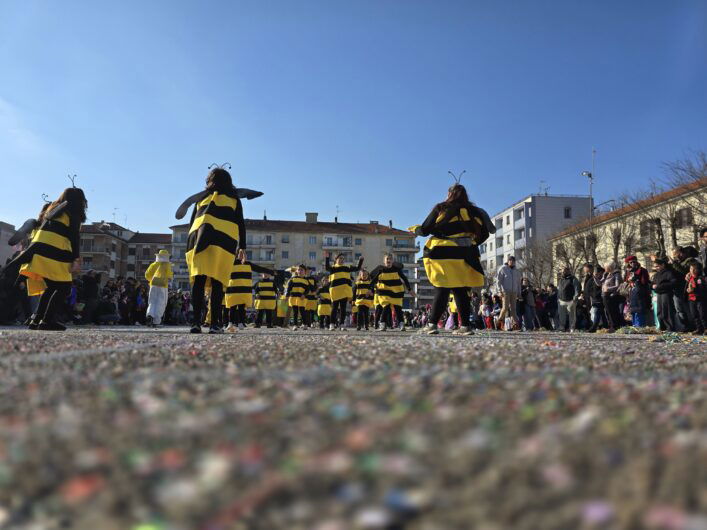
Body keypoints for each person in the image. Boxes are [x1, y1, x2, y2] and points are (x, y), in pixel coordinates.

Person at [414, 183, 494, 336]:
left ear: (449, 194)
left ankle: (432, 325)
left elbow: (425, 229)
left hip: (441, 253)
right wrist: (470, 242)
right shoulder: (474, 211)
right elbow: (485, 233)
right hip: (464, 254)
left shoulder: (441, 208)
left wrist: (416, 229)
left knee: (442, 288)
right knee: (461, 289)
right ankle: (465, 326)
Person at [177, 166, 249, 334]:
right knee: (218, 282)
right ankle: (215, 324)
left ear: (209, 181)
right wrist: (242, 246)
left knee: (199, 281)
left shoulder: (201, 198)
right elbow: (240, 223)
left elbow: (191, 223)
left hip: (198, 239)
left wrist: (190, 245)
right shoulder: (233, 199)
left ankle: (195, 322)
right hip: (223, 241)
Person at [9, 187, 87, 330]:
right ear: (80, 200)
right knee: (64, 287)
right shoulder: (72, 212)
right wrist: (76, 258)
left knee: (51, 288)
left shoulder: (53, 211)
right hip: (56, 253)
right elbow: (74, 237)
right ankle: (47, 320)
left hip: (40, 252)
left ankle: (37, 320)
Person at [224, 249, 275, 332]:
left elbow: (259, 268)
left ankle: (241, 323)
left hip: (244, 290)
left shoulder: (248, 264)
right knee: (232, 307)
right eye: (240, 254)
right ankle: (230, 323)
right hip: (233, 289)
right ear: (236, 255)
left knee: (241, 308)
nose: (242, 255)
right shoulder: (231, 263)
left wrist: (272, 272)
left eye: (243, 253)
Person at [370, 254, 413, 331]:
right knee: (386, 307)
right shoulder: (380, 269)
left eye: (390, 259)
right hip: (384, 292)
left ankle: (401, 324)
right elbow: (373, 280)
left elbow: (404, 278)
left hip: (396, 291)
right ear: (384, 261)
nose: (388, 260)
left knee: (398, 309)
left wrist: (409, 289)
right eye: (387, 259)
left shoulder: (396, 269)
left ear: (393, 261)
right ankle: (382, 324)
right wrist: (370, 290)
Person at [325, 251, 364, 330]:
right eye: (340, 258)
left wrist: (360, 261)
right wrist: (327, 258)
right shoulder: (333, 268)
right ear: (336, 259)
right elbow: (327, 268)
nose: (342, 260)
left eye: (343, 258)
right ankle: (332, 324)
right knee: (334, 308)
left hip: (344, 290)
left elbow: (357, 268)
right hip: (335, 290)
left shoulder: (347, 268)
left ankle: (342, 324)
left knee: (343, 308)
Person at [144, 250, 173, 327]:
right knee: (161, 302)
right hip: (163, 286)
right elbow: (169, 277)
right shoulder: (167, 265)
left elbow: (147, 275)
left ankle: (150, 315)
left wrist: (153, 280)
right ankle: (156, 321)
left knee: (152, 301)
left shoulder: (153, 264)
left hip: (153, 285)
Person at [496, 257, 521, 331]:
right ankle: (499, 320)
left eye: (513, 261)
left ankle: (516, 325)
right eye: (510, 261)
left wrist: (519, 293)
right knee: (505, 307)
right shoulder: (503, 269)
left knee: (513, 309)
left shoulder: (516, 271)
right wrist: (499, 291)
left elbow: (518, 283)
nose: (512, 262)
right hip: (505, 291)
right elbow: (498, 281)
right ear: (508, 261)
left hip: (514, 292)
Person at [652, 258, 678, 331]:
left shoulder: (668, 273)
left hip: (666, 293)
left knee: (667, 310)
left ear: (663, 265)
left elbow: (673, 282)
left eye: (657, 266)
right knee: (660, 311)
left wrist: (660, 286)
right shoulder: (656, 274)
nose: (656, 268)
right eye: (655, 267)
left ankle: (670, 327)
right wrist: (652, 286)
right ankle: (662, 326)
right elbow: (652, 283)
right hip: (659, 294)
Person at [625, 256, 651, 328]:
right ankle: (634, 326)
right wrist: (629, 280)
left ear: (637, 261)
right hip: (632, 293)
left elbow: (645, 282)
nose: (633, 263)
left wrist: (636, 277)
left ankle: (640, 327)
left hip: (640, 293)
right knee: (633, 311)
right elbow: (626, 281)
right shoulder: (628, 271)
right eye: (631, 262)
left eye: (634, 261)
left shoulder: (642, 270)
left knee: (639, 310)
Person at [685, 260, 706, 335]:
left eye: (694, 269)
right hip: (691, 299)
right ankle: (699, 329)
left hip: (700, 299)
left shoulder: (701, 278)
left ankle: (705, 328)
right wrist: (688, 290)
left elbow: (702, 289)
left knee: (702, 314)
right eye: (691, 269)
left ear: (698, 270)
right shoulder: (689, 277)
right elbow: (687, 288)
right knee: (694, 314)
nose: (692, 271)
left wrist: (694, 289)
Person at [286, 264, 310, 329]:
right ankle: (295, 325)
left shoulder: (306, 281)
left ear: (305, 272)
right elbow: (289, 288)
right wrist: (287, 295)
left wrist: (304, 294)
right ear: (296, 271)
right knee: (295, 312)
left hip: (301, 298)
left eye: (301, 270)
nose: (300, 271)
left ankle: (305, 324)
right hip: (293, 297)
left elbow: (307, 290)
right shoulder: (293, 279)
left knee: (302, 312)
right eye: (298, 270)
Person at [557, 266, 581, 332]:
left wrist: (575, 298)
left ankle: (572, 328)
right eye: (562, 271)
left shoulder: (573, 279)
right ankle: (562, 327)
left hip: (571, 300)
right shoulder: (560, 279)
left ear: (568, 271)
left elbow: (577, 288)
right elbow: (559, 290)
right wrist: (558, 298)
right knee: (561, 316)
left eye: (564, 270)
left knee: (572, 316)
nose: (563, 272)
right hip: (561, 300)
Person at [601, 262, 623, 332]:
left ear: (609, 267)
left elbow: (618, 285)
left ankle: (615, 326)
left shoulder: (616, 274)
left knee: (612, 311)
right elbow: (600, 283)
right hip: (605, 295)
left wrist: (608, 288)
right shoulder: (607, 274)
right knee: (608, 312)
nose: (604, 268)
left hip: (611, 296)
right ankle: (611, 326)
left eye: (605, 267)